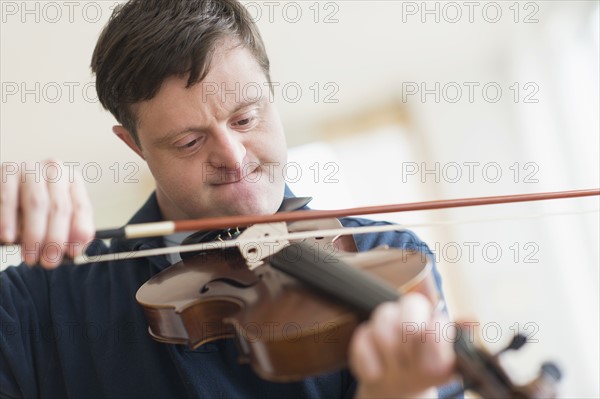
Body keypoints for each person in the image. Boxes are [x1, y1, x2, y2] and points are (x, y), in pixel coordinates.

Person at [0, 0, 458, 397]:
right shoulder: (33, 306)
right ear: (135, 146)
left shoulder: (386, 258)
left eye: (245, 118)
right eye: (189, 142)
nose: (234, 158)